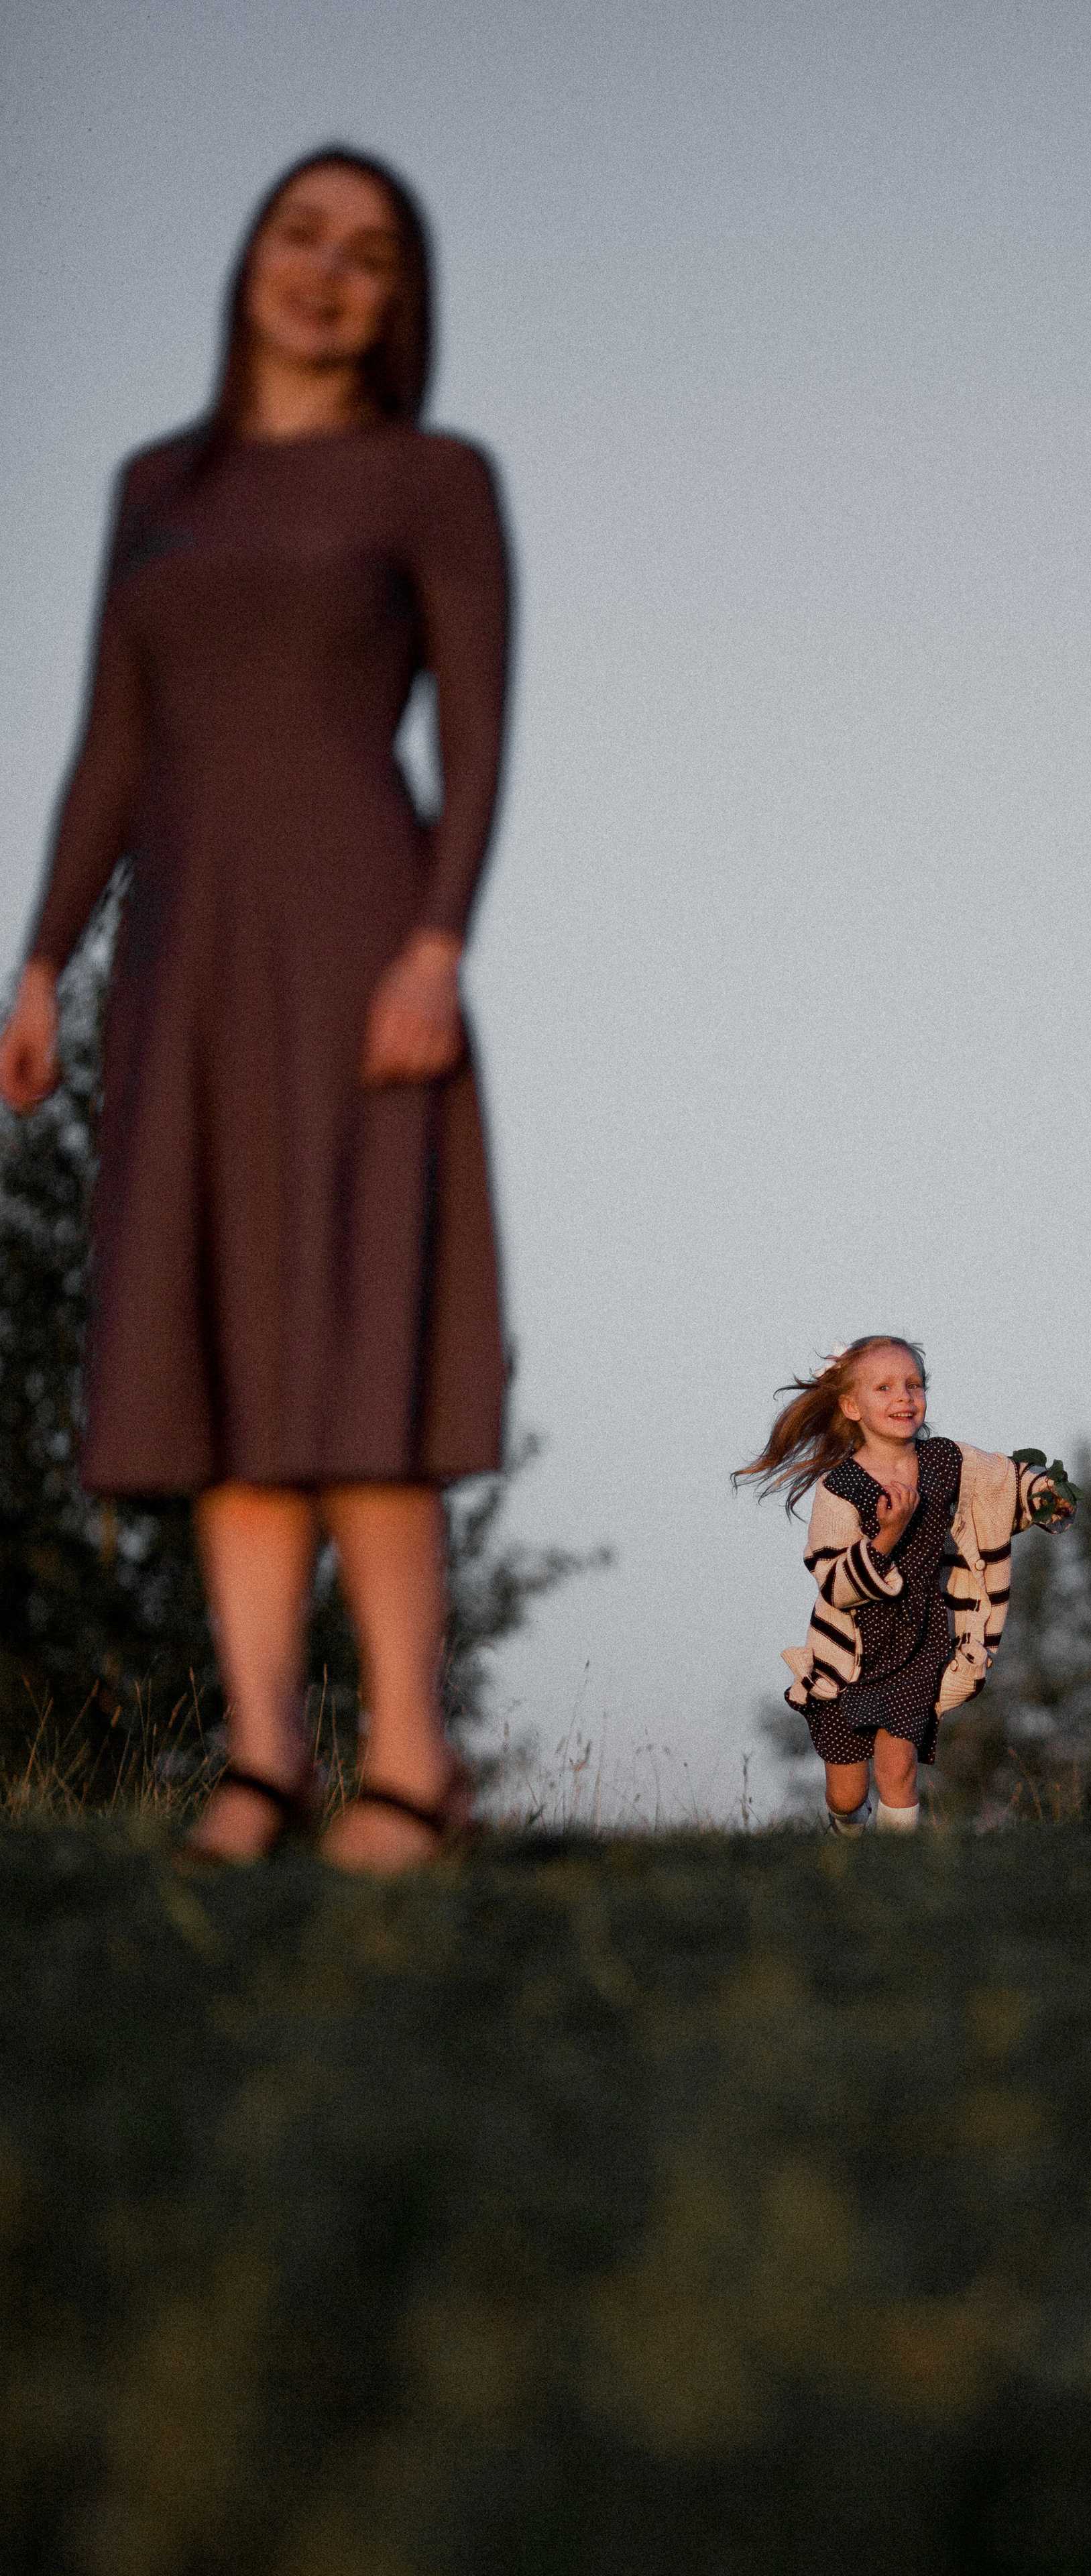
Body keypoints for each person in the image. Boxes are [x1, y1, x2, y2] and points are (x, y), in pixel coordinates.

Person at [0, 148, 512, 1872]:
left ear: (399, 303)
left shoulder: (433, 480)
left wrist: (437, 945)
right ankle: (264, 1755)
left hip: (360, 930)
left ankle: (413, 1758)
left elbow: (479, 732)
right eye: (302, 236)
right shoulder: (155, 485)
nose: (326, 272)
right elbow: (114, 738)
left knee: (354, 1339)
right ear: (251, 259)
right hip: (182, 955)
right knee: (219, 1346)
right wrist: (45, 954)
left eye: (369, 255)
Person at [734, 1337, 1076, 1831]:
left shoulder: (946, 1461)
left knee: (899, 1766)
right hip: (850, 1650)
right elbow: (835, 1584)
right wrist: (888, 1534)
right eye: (885, 1388)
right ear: (851, 1407)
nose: (904, 1397)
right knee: (847, 1793)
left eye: (914, 1385)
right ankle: (848, 1839)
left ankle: (899, 1865)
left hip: (918, 1640)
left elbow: (1003, 1481)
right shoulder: (841, 1488)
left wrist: (1044, 1492)